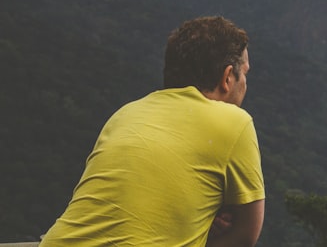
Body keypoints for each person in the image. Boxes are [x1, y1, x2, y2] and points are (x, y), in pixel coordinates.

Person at [41, 16, 266, 246]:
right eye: (245, 73)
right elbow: (245, 235)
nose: (246, 84)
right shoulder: (235, 122)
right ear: (227, 77)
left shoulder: (126, 113)